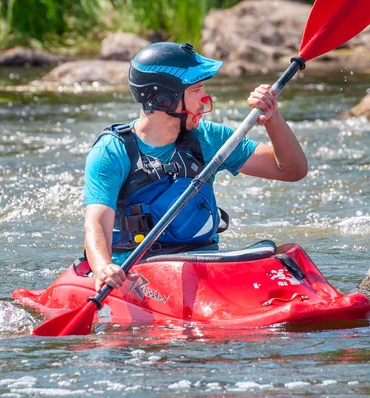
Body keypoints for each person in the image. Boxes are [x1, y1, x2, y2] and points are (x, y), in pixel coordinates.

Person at [83, 42, 308, 292]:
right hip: (138, 271)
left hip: (203, 263)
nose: (205, 99)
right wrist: (103, 267)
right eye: (197, 89)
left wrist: (272, 118)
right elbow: (97, 224)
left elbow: (291, 170)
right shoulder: (112, 151)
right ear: (164, 99)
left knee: (287, 255)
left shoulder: (209, 138)